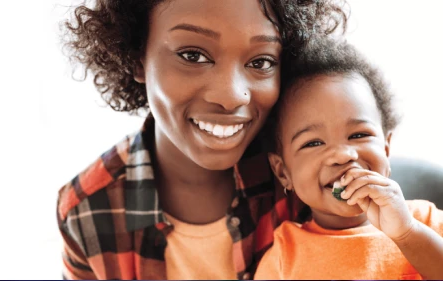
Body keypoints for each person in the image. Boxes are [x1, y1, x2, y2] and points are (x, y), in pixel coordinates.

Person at [57, 0, 348, 279]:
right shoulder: (86, 210)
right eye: (193, 55)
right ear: (137, 58)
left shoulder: (307, 180)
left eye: (261, 61)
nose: (231, 95)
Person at [254, 37, 443, 280]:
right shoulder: (284, 255)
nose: (343, 155)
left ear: (386, 150)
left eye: (359, 134)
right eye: (313, 143)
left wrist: (407, 233)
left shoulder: (425, 222)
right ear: (283, 172)